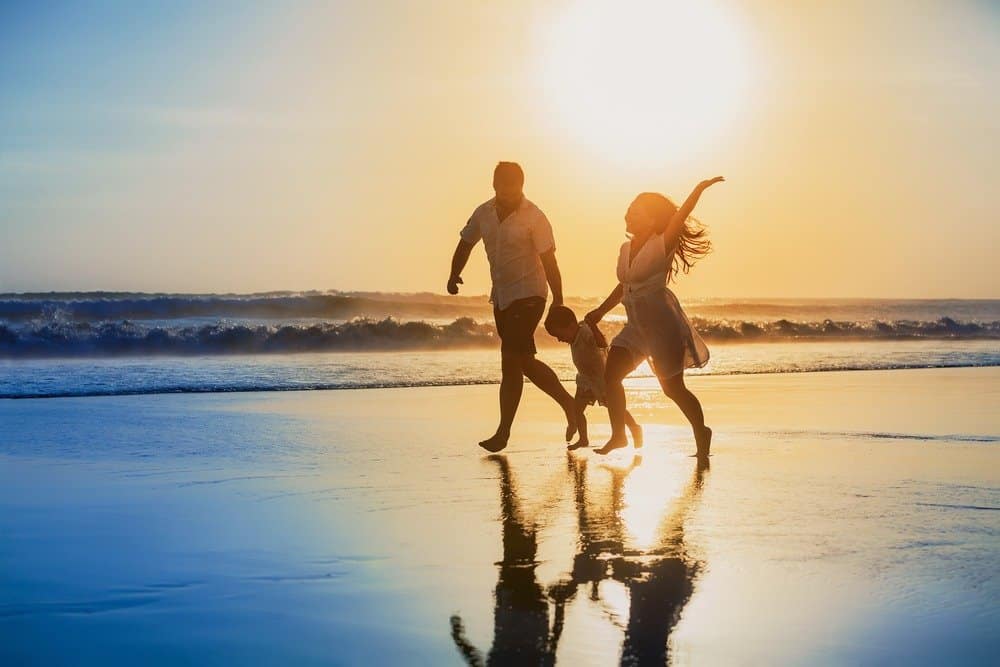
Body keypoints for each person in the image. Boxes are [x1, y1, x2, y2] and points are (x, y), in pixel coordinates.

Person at [586, 177, 724, 457]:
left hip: (663, 327)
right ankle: (618, 436)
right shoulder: (625, 249)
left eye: (636, 212)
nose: (629, 215)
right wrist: (600, 311)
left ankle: (701, 431)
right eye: (629, 210)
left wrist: (698, 189)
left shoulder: (662, 242)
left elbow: (681, 215)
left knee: (673, 389)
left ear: (651, 221)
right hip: (636, 327)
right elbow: (624, 286)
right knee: (611, 376)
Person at [447, 162, 577, 452]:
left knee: (510, 361)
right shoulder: (483, 213)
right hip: (503, 297)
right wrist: (454, 273)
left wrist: (558, 299)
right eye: (504, 185)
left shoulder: (534, 216)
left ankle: (503, 433)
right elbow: (465, 243)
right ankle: (571, 406)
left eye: (514, 185)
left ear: (522, 185)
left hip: (530, 295)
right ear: (495, 186)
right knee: (522, 362)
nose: (509, 191)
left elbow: (549, 261)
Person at [544, 305, 642, 451]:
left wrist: (594, 327)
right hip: (585, 380)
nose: (559, 340)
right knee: (577, 409)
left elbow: (603, 344)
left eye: (560, 335)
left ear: (571, 326)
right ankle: (583, 439)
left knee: (615, 408)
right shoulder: (573, 336)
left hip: (601, 379)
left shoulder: (585, 332)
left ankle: (634, 428)